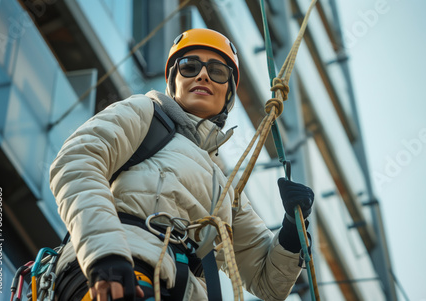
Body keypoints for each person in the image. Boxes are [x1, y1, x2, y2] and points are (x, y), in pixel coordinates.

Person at [50, 28, 314, 301]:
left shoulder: (224, 190)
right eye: (189, 67)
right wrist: (106, 254)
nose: (202, 75)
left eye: (217, 71)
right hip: (124, 271)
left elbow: (267, 283)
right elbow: (76, 162)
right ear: (172, 81)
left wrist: (292, 232)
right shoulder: (145, 113)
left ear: (229, 94)